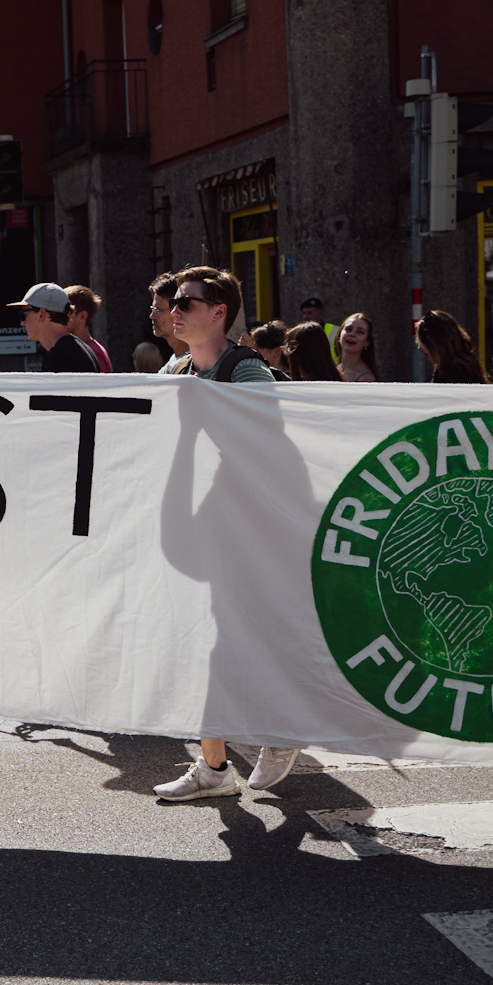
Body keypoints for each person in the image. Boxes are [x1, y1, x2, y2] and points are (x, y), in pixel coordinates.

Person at [154, 269, 303, 799]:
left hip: (250, 526)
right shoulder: (176, 368)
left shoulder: (246, 370)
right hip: (199, 522)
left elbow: (270, 439)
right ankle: (215, 767)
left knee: (249, 636)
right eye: (173, 301)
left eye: (186, 302)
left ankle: (282, 729)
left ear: (219, 312)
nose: (174, 309)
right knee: (202, 643)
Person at [10, 283, 100, 372]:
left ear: (41, 314)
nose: (22, 323)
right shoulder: (85, 349)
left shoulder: (58, 357)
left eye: (24, 315)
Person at [415, 310, 488, 383]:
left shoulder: (452, 373)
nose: (419, 348)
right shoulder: (463, 366)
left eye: (423, 343)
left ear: (436, 343)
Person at [147, 273, 192, 374]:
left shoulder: (197, 365)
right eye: (152, 309)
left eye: (157, 310)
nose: (152, 316)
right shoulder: (173, 361)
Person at [64, 285, 114, 372]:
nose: (60, 317)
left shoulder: (93, 353)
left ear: (82, 316)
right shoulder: (84, 349)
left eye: (66, 312)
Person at [335, 312, 379, 383]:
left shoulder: (366, 378)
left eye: (360, 332)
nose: (352, 334)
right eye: (348, 329)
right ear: (339, 335)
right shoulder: (333, 371)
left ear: (367, 342)